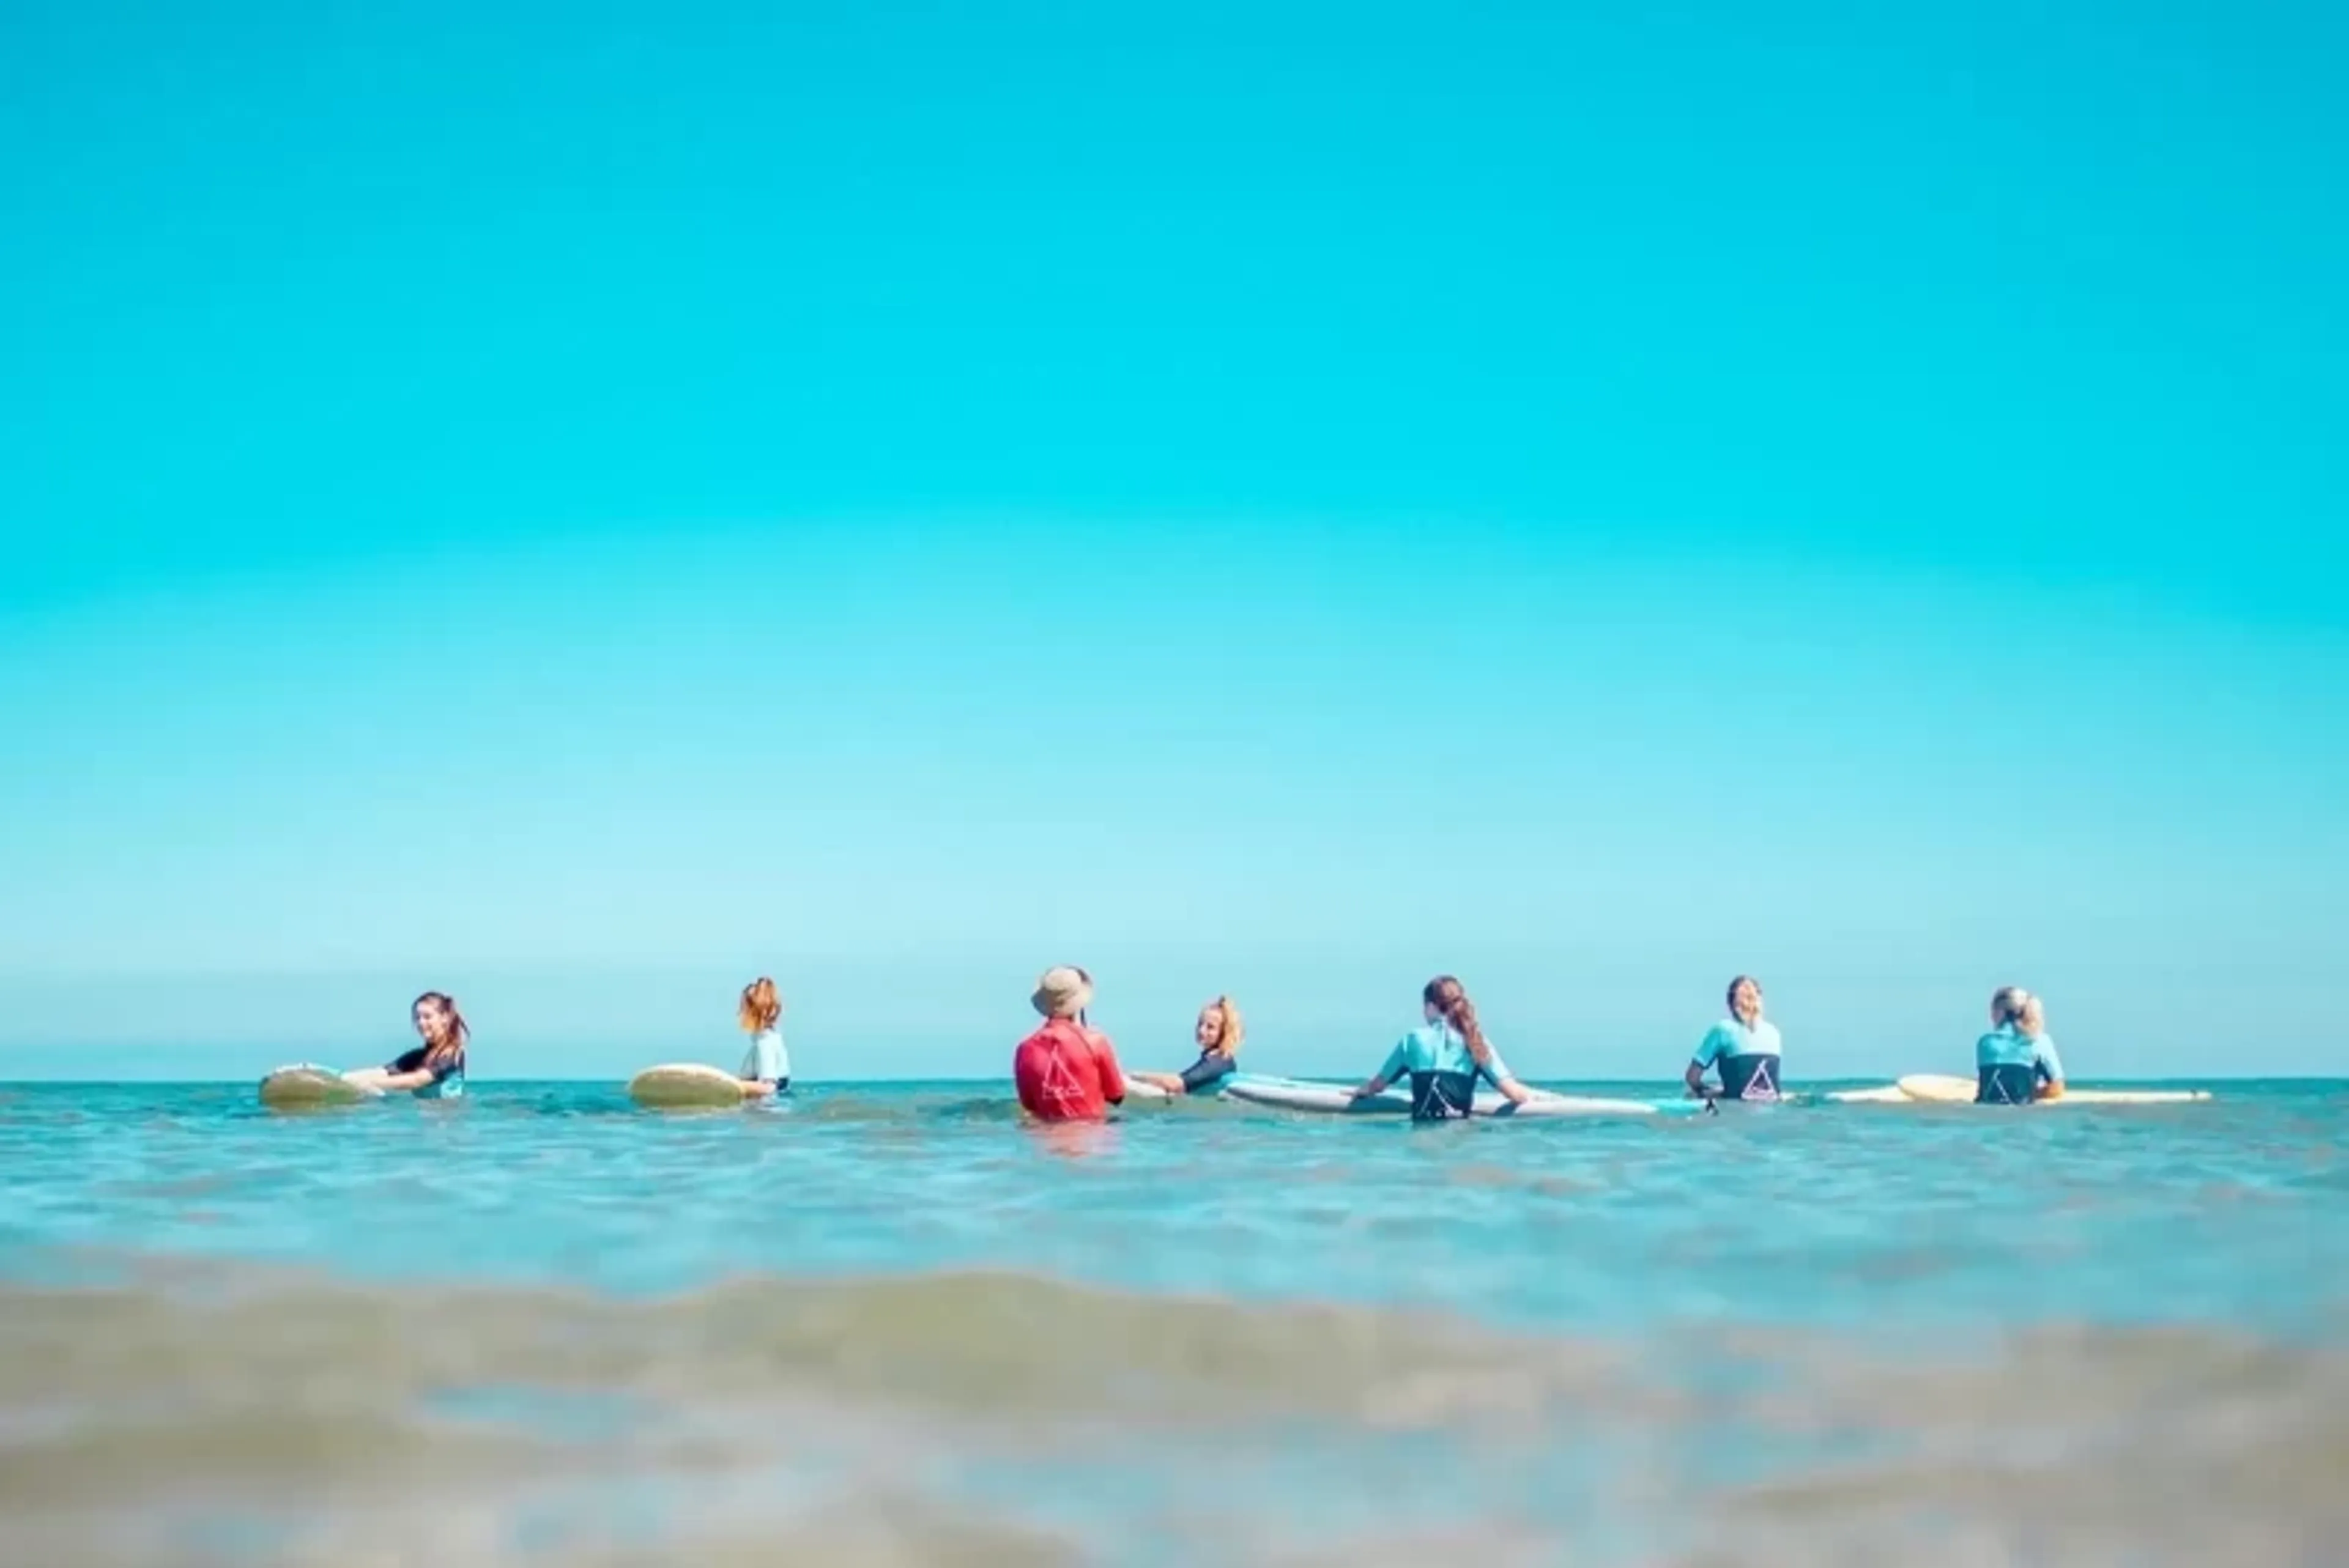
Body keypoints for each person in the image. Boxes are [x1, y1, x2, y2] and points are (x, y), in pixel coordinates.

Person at [1350, 975, 1533, 1120]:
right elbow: (1513, 1093)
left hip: (1421, 1139)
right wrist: (1536, 1097)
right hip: (1461, 1140)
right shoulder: (1475, 1041)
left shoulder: (1412, 1040)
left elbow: (1377, 1086)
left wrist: (1360, 1091)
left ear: (1431, 1006)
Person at [1013, 965, 1128, 1123]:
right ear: (1079, 1003)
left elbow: (1029, 1104)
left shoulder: (1025, 1049)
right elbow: (1116, 1096)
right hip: (1091, 1132)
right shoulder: (1095, 1041)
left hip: (1045, 1134)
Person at [342, 991, 469, 1098]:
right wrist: (344, 1079)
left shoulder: (453, 1053)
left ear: (444, 1018)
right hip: (424, 1119)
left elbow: (418, 1080)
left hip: (449, 1119)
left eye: (427, 1017)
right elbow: (383, 1072)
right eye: (417, 1018)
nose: (421, 1023)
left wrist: (371, 1083)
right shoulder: (418, 1057)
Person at [1685, 975, 1783, 1101]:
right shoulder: (1774, 1032)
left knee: (1691, 1095)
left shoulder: (1722, 1030)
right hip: (1773, 1105)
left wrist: (1705, 1091)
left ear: (1730, 1004)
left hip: (1737, 1106)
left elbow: (1692, 1078)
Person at [1127, 996, 1244, 1096]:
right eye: (1200, 1024)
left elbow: (1177, 1084)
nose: (1201, 1030)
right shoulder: (1219, 1060)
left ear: (1224, 1033)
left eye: (1210, 1027)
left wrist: (1135, 1076)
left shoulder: (1218, 1062)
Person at [1975, 985, 2066, 1104]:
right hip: (2023, 1110)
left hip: (1987, 1108)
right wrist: (2032, 1093)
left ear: (2001, 1012)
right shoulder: (2039, 1040)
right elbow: (2057, 1088)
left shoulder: (1985, 1043)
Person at [736, 976, 789, 1098]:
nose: (740, 1014)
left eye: (744, 1009)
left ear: (754, 1013)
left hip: (765, 1108)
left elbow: (768, 1088)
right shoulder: (769, 1040)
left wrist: (737, 1085)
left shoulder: (765, 1044)